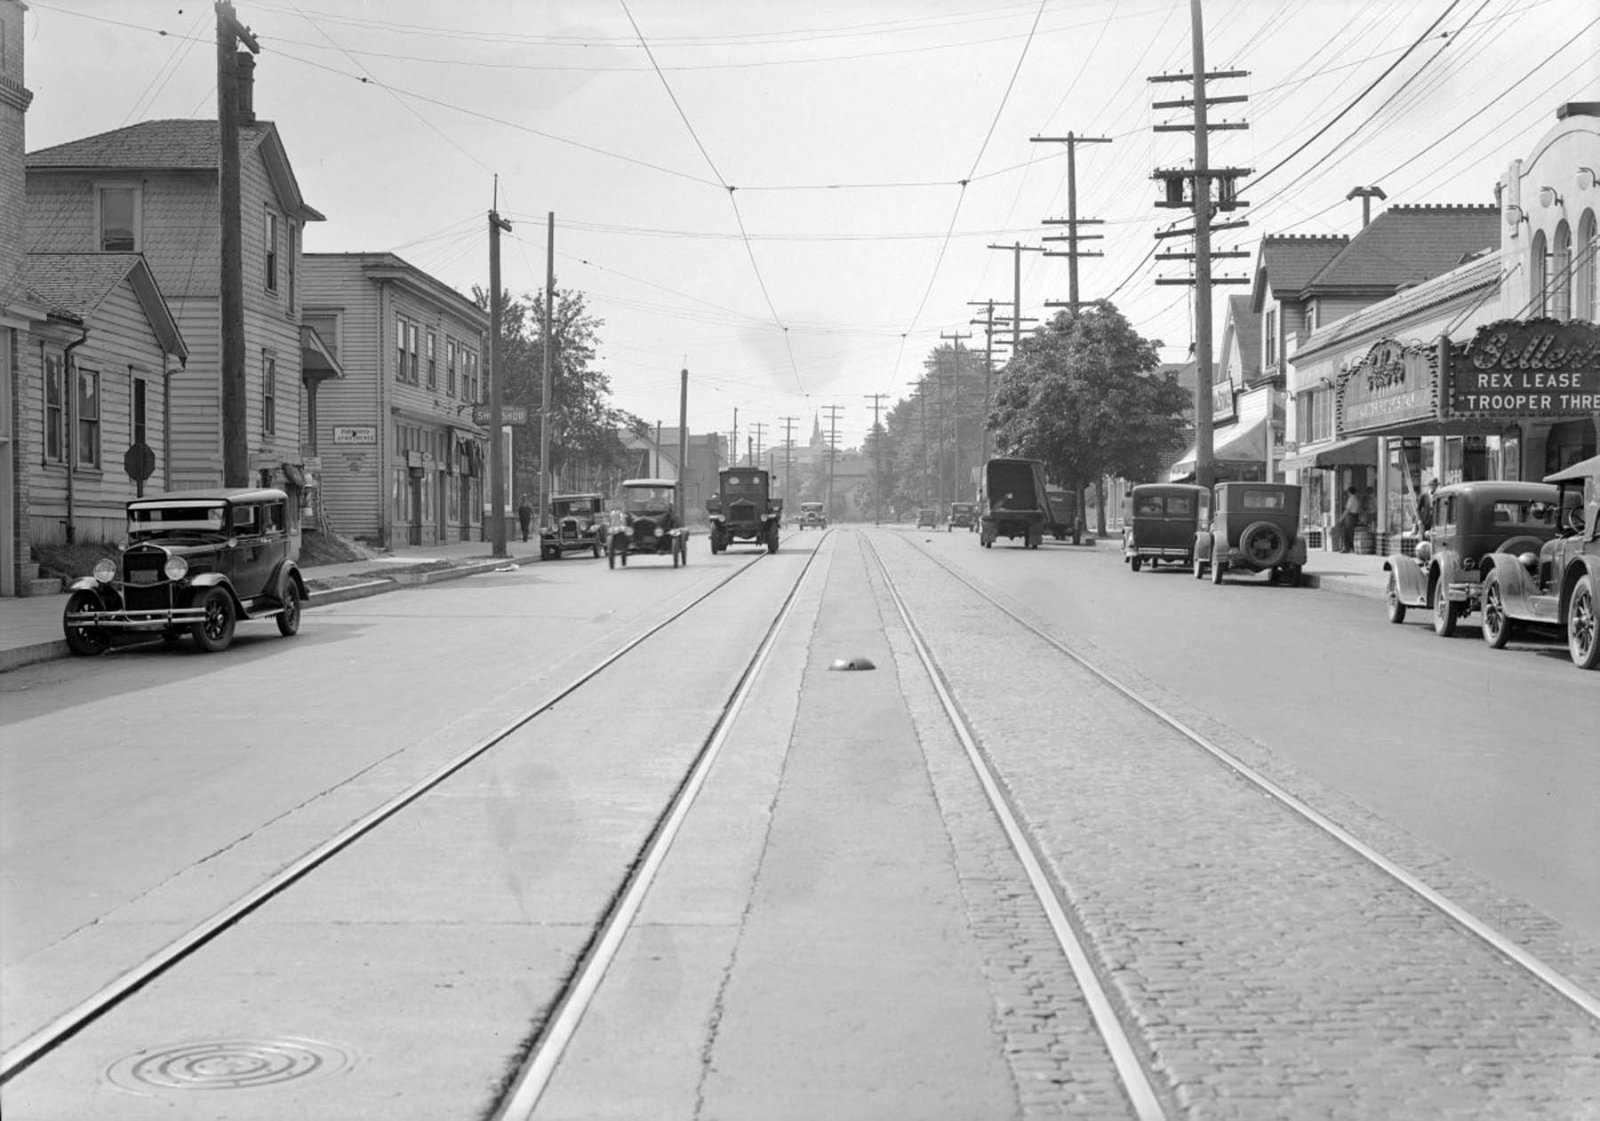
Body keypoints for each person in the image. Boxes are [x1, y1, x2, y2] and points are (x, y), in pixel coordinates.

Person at [1338, 487, 1361, 552]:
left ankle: (1346, 548)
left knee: (1347, 532)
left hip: (1350, 517)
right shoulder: (1356, 499)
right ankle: (1351, 547)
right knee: (1351, 533)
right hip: (1355, 516)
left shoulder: (1351, 499)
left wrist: (1341, 518)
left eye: (1347, 492)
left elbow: (1347, 509)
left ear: (1349, 492)